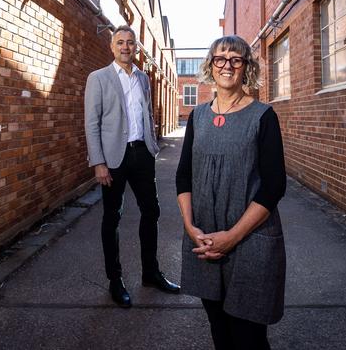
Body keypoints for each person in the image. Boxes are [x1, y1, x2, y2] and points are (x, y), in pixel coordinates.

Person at [175, 35, 287, 349]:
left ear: (245, 67)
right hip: (205, 239)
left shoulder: (263, 116)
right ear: (211, 65)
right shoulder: (197, 117)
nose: (228, 65)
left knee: (248, 336)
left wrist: (232, 237)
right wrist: (190, 227)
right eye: (221, 58)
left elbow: (274, 186)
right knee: (219, 330)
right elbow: (183, 177)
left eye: (236, 59)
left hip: (249, 240)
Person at [84, 25, 180, 308]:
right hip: (113, 159)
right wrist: (98, 162)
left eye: (130, 43)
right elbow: (92, 123)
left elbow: (147, 113)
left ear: (136, 48)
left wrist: (152, 146)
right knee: (112, 217)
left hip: (141, 155)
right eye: (120, 42)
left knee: (152, 211)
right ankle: (116, 280)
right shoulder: (98, 78)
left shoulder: (143, 78)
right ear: (112, 47)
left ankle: (151, 273)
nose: (126, 47)